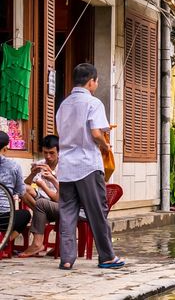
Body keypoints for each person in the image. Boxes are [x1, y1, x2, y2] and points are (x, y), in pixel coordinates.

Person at [55, 64, 124, 270]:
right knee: (97, 211)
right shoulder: (94, 103)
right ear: (91, 81)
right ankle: (107, 257)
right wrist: (106, 144)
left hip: (66, 165)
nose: (97, 83)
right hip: (87, 164)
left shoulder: (63, 104)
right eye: (97, 80)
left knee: (67, 213)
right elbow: (96, 133)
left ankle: (67, 259)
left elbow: (61, 133)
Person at [19, 135, 59, 258]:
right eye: (45, 153)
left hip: (58, 203)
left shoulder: (65, 166)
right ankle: (42, 216)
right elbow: (25, 184)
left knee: (41, 204)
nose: (48, 156)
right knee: (23, 190)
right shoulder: (41, 163)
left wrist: (51, 177)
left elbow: (58, 198)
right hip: (43, 201)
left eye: (52, 153)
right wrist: (32, 174)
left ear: (59, 152)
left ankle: (37, 242)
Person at [0, 131, 31, 246]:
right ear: (5, 149)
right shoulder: (14, 166)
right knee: (26, 214)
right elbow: (21, 191)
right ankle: (5, 242)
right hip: (6, 219)